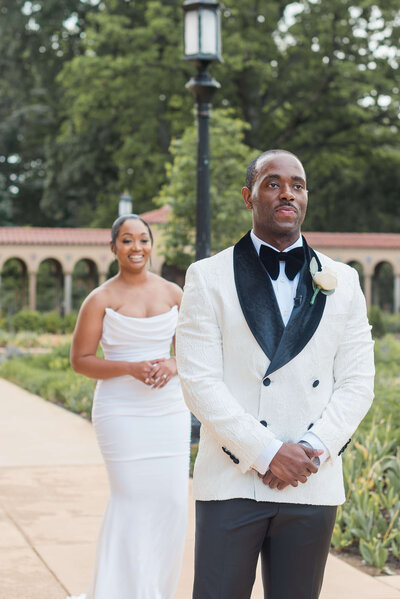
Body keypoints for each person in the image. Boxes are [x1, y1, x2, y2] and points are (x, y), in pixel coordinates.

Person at [175, 149, 374, 599]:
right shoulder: (207, 277)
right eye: (272, 183)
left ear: (306, 198)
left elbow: (358, 382)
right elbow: (199, 382)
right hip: (232, 477)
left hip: (312, 479)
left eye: (297, 184)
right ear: (248, 196)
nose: (287, 192)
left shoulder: (342, 280)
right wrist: (265, 451)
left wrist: (310, 450)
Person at [70, 214, 190, 599]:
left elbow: (197, 349)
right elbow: (81, 359)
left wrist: (173, 363)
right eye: (126, 240)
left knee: (172, 502)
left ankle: (155, 592)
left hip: (168, 410)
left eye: (142, 239)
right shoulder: (100, 299)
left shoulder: (174, 293)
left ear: (152, 245)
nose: (136, 247)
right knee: (132, 501)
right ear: (113, 248)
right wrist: (129, 368)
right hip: (121, 413)